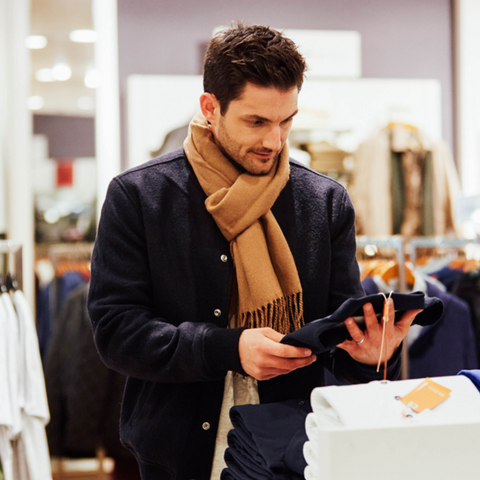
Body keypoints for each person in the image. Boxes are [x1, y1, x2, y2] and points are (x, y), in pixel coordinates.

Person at [88, 23, 421, 480]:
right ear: (211, 108)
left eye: (286, 120)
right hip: (177, 451)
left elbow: (335, 328)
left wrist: (363, 354)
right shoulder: (140, 196)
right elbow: (116, 332)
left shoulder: (324, 202)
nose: (275, 141)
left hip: (292, 446)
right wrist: (228, 348)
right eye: (256, 121)